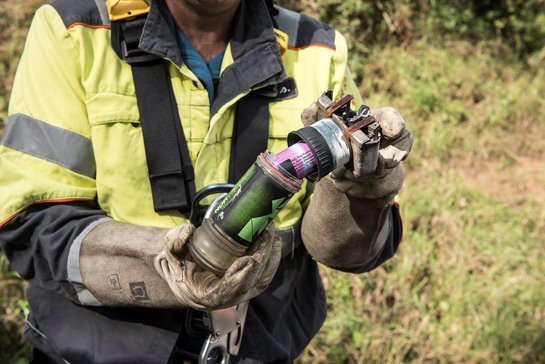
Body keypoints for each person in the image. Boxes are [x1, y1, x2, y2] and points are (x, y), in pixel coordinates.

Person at [0, 0, 412, 363]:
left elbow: (347, 251)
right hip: (94, 353)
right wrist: (166, 268)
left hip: (258, 351)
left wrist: (359, 193)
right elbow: (32, 224)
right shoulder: (75, 29)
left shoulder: (317, 50)